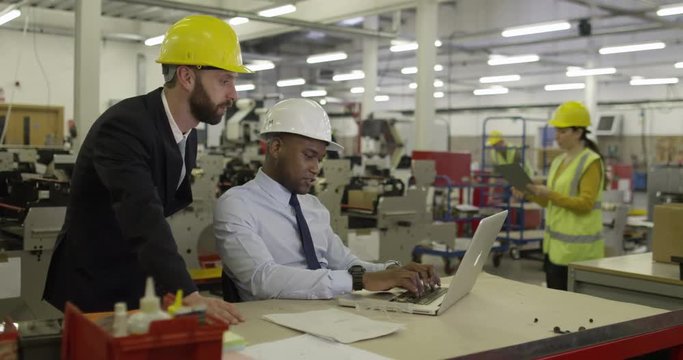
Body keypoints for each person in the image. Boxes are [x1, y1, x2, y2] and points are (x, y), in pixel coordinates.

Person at [43, 15, 251, 324]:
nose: (234, 94)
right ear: (187, 77)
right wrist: (188, 292)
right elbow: (142, 212)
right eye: (225, 80)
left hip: (139, 283)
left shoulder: (188, 132)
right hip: (93, 287)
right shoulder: (125, 126)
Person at [214, 98, 439, 301]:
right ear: (276, 147)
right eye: (309, 156)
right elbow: (262, 279)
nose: (316, 168)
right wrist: (360, 281)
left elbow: (347, 264)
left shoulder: (313, 207)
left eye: (320, 159)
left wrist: (393, 271)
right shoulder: (237, 205)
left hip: (326, 316)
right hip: (273, 326)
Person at [514, 101, 605, 291]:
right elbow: (549, 202)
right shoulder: (558, 161)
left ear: (578, 132)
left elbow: (585, 203)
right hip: (555, 249)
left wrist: (550, 193)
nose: (557, 136)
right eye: (556, 131)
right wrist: (529, 193)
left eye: (562, 131)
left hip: (579, 254)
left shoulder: (591, 162)